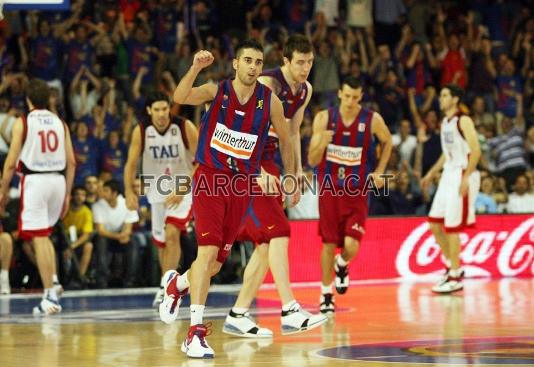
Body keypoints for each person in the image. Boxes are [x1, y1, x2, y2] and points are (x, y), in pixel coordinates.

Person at [159, 39, 296, 358]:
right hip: (210, 179)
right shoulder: (217, 90)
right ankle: (193, 333)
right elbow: (179, 97)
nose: (253, 66)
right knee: (206, 253)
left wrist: (288, 175)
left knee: (215, 265)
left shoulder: (270, 101)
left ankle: (177, 285)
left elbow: (286, 140)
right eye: (248, 60)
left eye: (259, 62)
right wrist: (194, 68)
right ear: (236, 64)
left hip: (242, 186)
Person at [225, 34, 327, 337]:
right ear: (285, 61)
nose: (305, 67)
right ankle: (289, 309)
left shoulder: (305, 90)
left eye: (309, 62)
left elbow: (292, 134)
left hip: (270, 163)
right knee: (279, 231)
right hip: (247, 162)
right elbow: (241, 129)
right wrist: (255, 170)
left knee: (266, 244)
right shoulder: (267, 85)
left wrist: (294, 175)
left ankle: (239, 313)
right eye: (300, 62)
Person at [308, 76, 393, 313]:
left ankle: (342, 263)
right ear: (340, 94)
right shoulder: (324, 118)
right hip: (330, 190)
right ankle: (326, 293)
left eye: (355, 97)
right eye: (347, 96)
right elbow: (312, 159)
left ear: (361, 97)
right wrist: (321, 144)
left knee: (352, 245)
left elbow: (388, 142)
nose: (350, 101)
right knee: (328, 243)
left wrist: (380, 171)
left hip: (357, 190)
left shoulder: (372, 119)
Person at [0, 79, 76, 314]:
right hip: (59, 181)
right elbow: (72, 161)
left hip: (36, 181)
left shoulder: (23, 122)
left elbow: (11, 163)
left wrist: (3, 190)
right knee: (46, 234)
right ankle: (53, 281)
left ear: (28, 100)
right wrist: (67, 195)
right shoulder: (60, 123)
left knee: (39, 237)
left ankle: (50, 297)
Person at [124, 91, 198, 306]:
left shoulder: (184, 127)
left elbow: (201, 161)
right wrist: (129, 191)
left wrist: (183, 188)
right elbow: (130, 163)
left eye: (165, 108)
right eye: (156, 109)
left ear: (170, 108)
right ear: (149, 111)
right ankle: (164, 285)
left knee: (172, 234)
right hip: (156, 190)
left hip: (182, 189)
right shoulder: (141, 131)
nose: (161, 114)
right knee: (162, 243)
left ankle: (169, 291)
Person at [421, 84, 481, 294]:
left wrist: (465, 177)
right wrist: (431, 173)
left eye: (444, 95)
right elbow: (446, 155)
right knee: (434, 223)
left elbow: (476, 150)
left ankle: (455, 275)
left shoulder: (463, 120)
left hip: (462, 173)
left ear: (455, 99)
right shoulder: (445, 123)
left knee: (452, 227)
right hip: (448, 173)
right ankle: (452, 265)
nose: (440, 98)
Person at [92, 180, 139, 288]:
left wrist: (124, 235)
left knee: (133, 241)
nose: (102, 193)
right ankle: (102, 280)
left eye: (106, 191)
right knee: (100, 240)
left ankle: (130, 279)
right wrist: (119, 236)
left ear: (114, 193)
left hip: (121, 235)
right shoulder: (98, 206)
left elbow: (128, 228)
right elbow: (101, 230)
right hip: (106, 236)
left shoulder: (127, 203)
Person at [62, 186, 94, 285]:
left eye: (83, 195)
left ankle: (80, 277)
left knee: (88, 246)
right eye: (77, 194)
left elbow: (86, 235)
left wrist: (72, 246)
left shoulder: (87, 212)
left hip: (77, 241)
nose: (80, 197)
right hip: (63, 239)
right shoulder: (65, 209)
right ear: (72, 196)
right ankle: (61, 278)